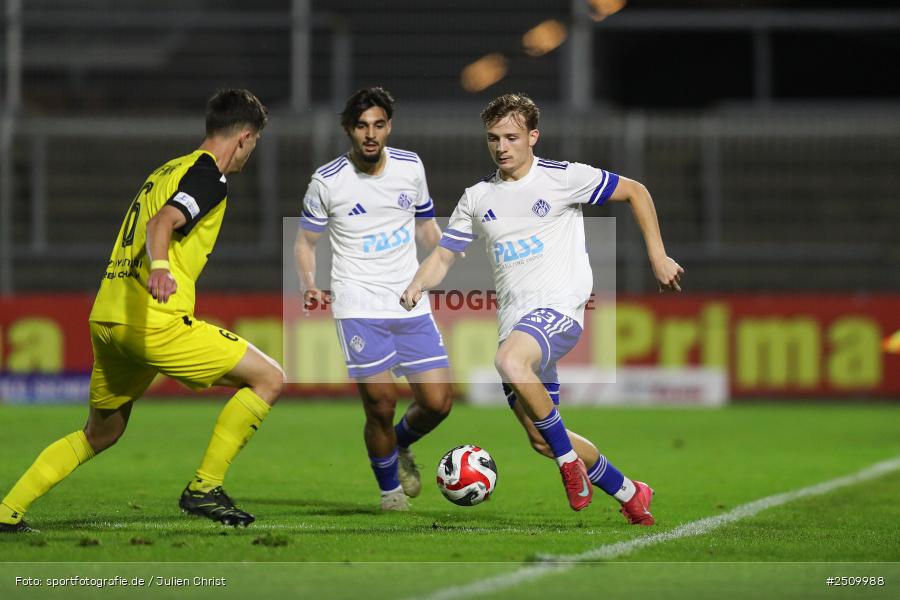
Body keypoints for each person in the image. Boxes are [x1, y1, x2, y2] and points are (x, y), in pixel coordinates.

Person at [0, 89, 283, 533]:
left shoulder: (167, 169)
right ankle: (204, 488)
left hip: (109, 317)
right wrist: (162, 267)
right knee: (269, 377)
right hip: (154, 321)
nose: (251, 151)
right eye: (255, 143)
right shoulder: (208, 177)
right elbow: (161, 223)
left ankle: (6, 511)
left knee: (101, 434)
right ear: (245, 137)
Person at [401, 93, 683, 525]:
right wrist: (418, 283)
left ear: (533, 136)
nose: (501, 147)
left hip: (559, 311)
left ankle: (570, 465)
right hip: (515, 325)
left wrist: (658, 257)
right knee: (541, 438)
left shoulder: (562, 178)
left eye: (511, 137)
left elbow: (636, 193)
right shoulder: (477, 198)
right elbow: (445, 255)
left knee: (510, 360)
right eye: (493, 138)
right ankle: (631, 492)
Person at [295, 87, 452, 511]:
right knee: (381, 403)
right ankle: (390, 493)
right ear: (349, 129)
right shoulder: (327, 181)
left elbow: (425, 227)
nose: (370, 134)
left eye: (378, 125)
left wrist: (445, 254)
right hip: (357, 303)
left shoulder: (410, 167)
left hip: (407, 300)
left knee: (438, 403)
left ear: (388, 127)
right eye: (362, 126)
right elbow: (306, 243)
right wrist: (309, 283)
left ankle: (398, 444)